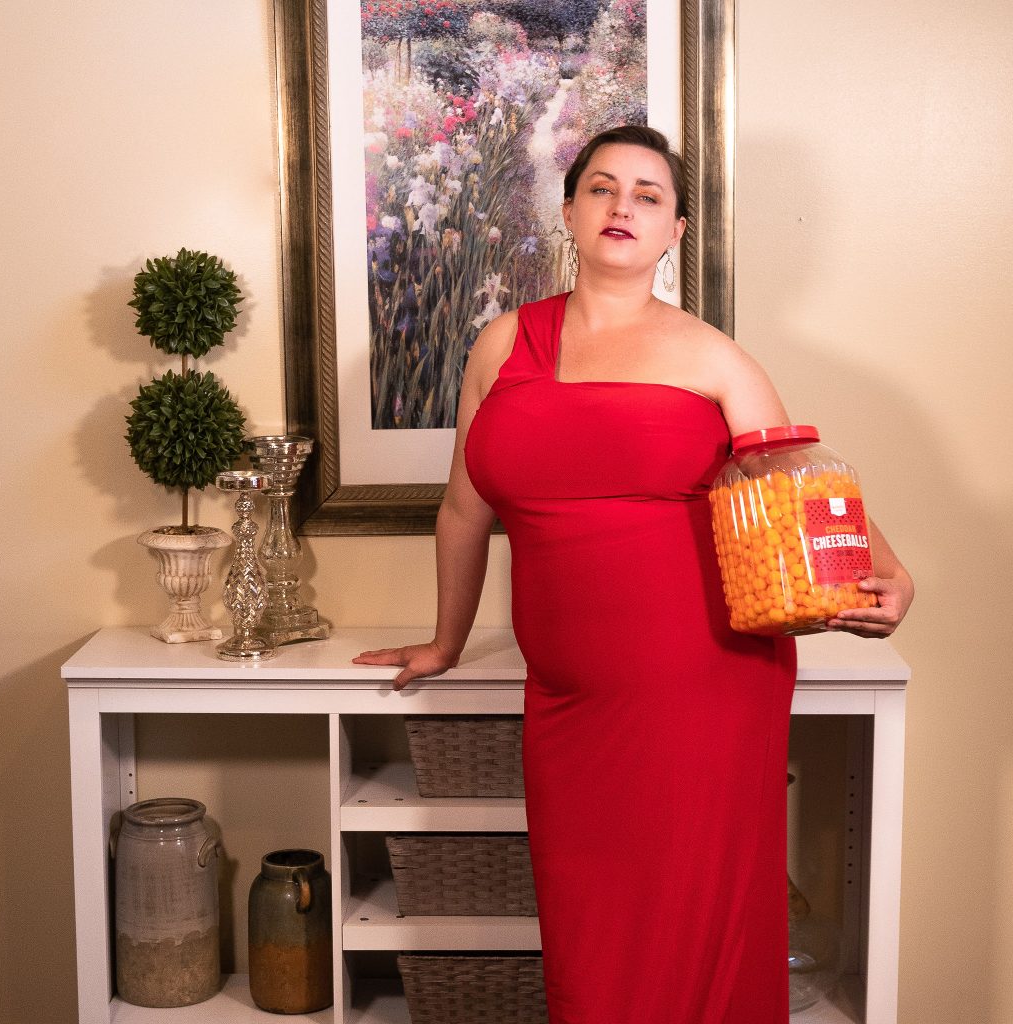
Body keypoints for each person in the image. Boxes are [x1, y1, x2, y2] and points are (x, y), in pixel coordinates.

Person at [355, 125, 914, 1024]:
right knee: (592, 934)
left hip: (703, 687)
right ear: (569, 211)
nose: (623, 208)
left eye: (648, 196)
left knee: (691, 929)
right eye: (603, 189)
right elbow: (465, 507)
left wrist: (889, 570)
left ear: (675, 231)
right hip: (569, 700)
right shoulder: (503, 345)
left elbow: (802, 477)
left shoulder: (712, 355)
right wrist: (444, 641)